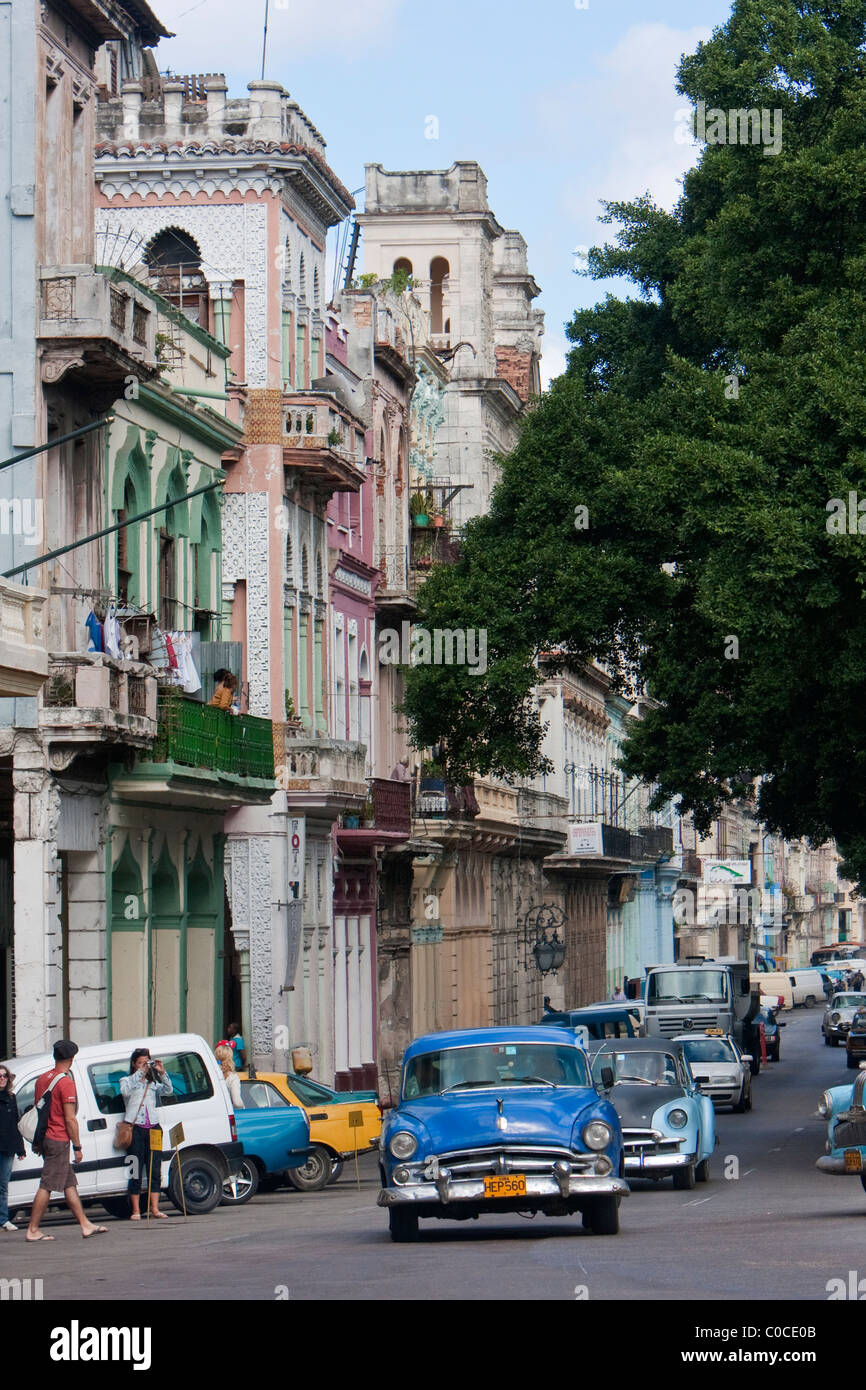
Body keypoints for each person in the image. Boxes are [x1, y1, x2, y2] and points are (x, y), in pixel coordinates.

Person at [26, 1040, 107, 1241]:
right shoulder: (66, 1083)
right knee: (47, 1184)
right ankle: (33, 1230)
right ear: (71, 1059)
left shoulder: (42, 1079)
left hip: (45, 1136)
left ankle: (85, 1224)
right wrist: (78, 1146)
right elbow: (70, 1119)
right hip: (58, 1138)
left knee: (69, 1183)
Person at [119, 1048, 174, 1220]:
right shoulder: (127, 1080)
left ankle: (155, 1209)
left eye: (147, 1062)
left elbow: (168, 1090)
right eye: (141, 1062)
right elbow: (124, 1092)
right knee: (135, 1167)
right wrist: (140, 1073)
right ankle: (135, 1210)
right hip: (136, 1128)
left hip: (154, 1128)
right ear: (134, 1064)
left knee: (154, 1167)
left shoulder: (152, 1083)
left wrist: (162, 1072)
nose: (145, 1065)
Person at [0, 1065, 25, 1231]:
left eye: (4, 1076)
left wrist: (20, 1148)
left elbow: (16, 1123)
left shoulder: (11, 1097)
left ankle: (3, 1219)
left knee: (3, 1185)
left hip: (7, 1146)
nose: (2, 1078)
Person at [214, 1045, 244, 1109]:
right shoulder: (232, 1077)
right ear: (230, 1058)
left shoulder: (212, 1074)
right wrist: (243, 1107)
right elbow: (237, 1103)